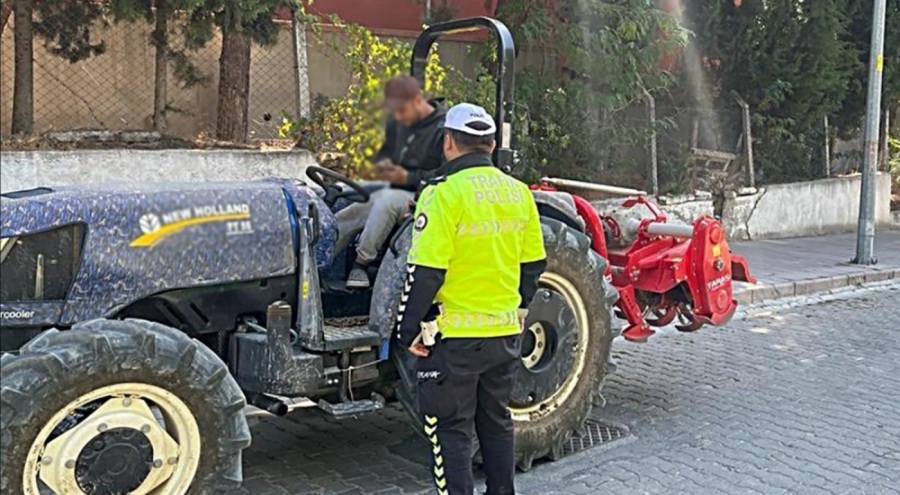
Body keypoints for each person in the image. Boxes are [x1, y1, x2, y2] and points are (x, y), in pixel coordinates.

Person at [395, 103, 548, 495]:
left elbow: (425, 273)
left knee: (450, 432)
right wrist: (517, 311)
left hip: (453, 342)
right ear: (492, 144)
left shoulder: (442, 195)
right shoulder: (519, 193)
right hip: (503, 337)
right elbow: (533, 265)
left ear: (448, 142)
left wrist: (407, 331)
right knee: (496, 423)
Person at [336, 75, 447, 289]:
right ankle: (318, 258)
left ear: (417, 101)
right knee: (349, 192)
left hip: (425, 193)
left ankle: (362, 263)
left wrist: (409, 177)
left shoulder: (444, 130)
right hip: (397, 185)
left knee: (386, 201)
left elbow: (447, 174)